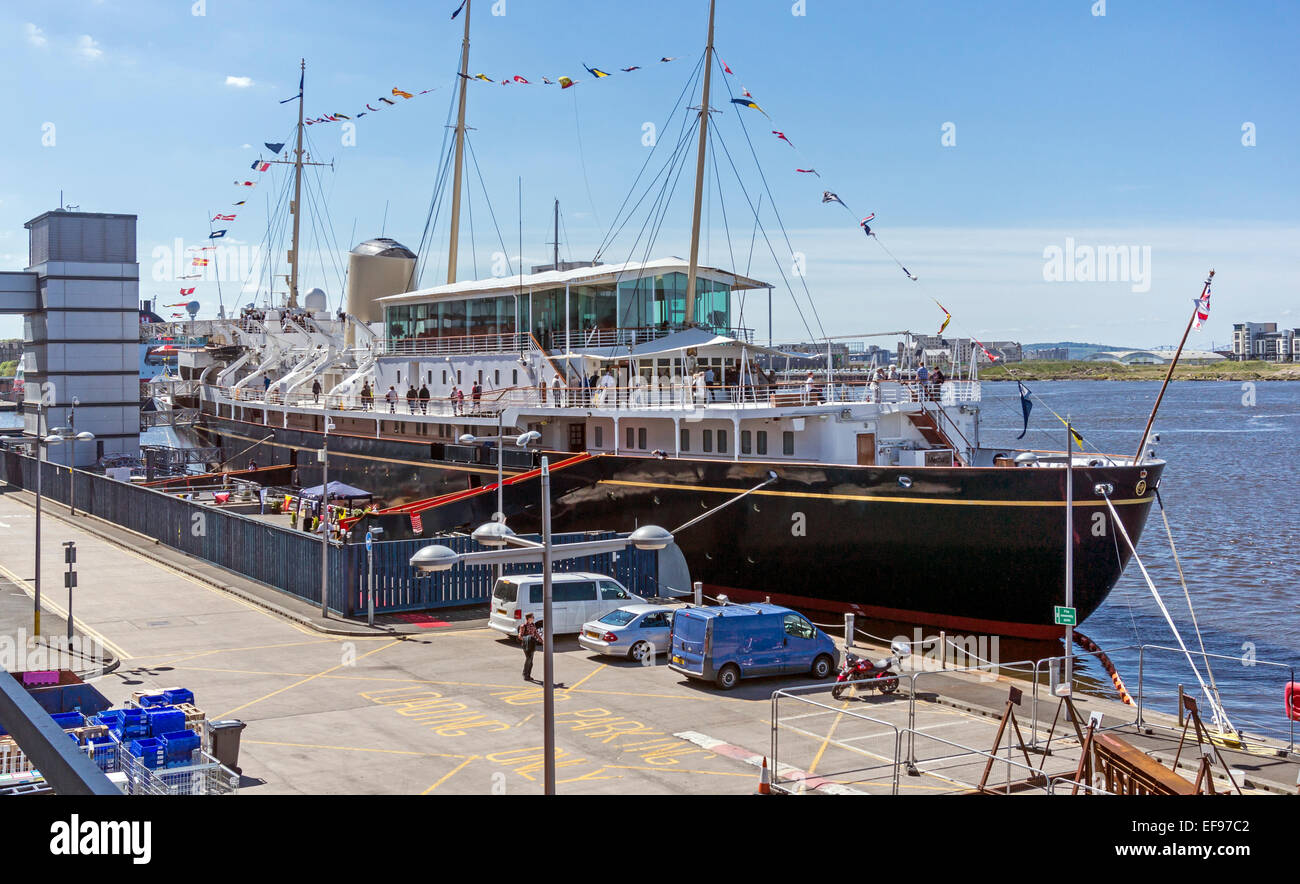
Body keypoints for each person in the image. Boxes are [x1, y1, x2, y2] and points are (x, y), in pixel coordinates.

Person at [519, 613, 543, 682]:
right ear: (529, 618)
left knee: (531, 660)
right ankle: (525, 674)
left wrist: (542, 641)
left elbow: (536, 633)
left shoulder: (533, 625)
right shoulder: (523, 626)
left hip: (532, 644)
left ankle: (528, 675)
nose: (534, 618)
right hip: (526, 645)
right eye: (532, 617)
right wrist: (527, 639)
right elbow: (520, 635)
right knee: (529, 658)